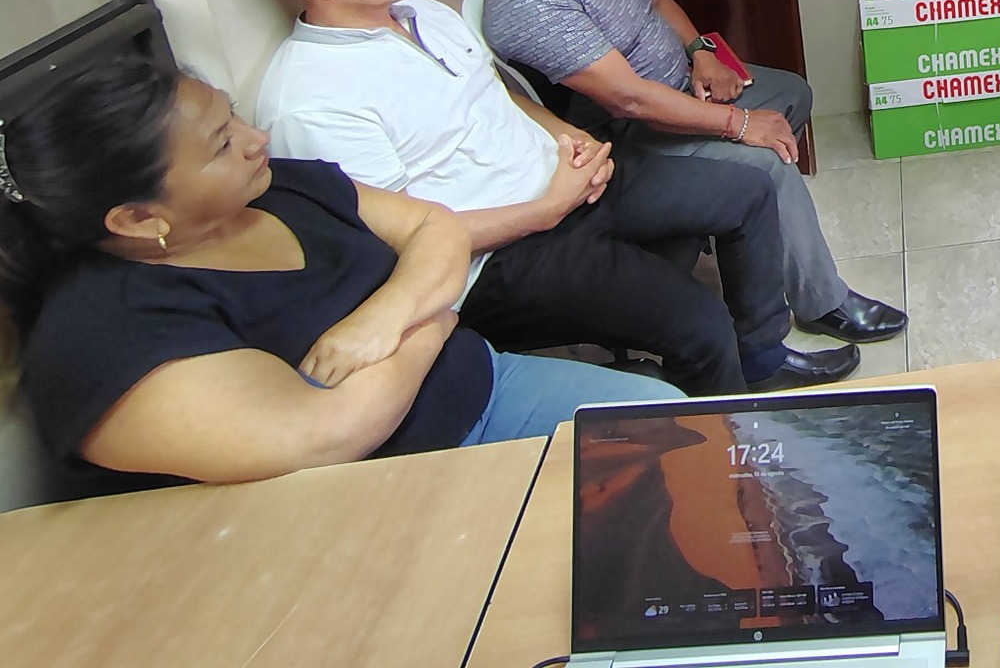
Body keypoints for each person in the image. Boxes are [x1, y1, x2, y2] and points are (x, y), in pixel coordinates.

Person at [250, 0, 858, 395]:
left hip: (563, 181)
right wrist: (544, 210)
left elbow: (497, 93)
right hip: (497, 257)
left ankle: (763, 358)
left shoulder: (420, 13)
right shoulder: (312, 102)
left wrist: (567, 135)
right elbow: (397, 239)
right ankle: (722, 440)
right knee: (698, 321)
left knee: (745, 191)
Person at [0, 53, 655, 492]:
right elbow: (328, 433)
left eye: (232, 115)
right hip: (385, 490)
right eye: (222, 144)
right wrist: (432, 321)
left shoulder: (273, 185)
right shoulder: (106, 331)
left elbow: (438, 229)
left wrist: (387, 317)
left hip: (487, 384)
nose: (256, 138)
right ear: (139, 219)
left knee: (673, 433)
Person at [478, 0, 906, 345]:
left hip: (679, 84)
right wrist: (738, 124)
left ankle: (743, 230)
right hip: (629, 133)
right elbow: (629, 99)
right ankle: (822, 303)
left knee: (791, 93)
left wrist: (701, 52)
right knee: (766, 164)